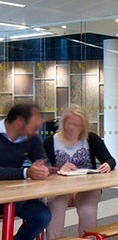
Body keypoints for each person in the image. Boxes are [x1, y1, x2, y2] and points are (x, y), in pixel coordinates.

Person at [43, 104, 116, 239]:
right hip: (60, 188)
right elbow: (43, 169)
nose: (76, 129)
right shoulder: (49, 142)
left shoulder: (91, 139)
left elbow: (110, 159)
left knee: (87, 210)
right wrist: (59, 169)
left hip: (87, 187)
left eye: (80, 125)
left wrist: (108, 165)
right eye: (72, 124)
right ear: (64, 123)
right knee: (55, 209)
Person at [0, 103, 52, 240]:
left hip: (15, 194)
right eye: (34, 128)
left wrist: (43, 170)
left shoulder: (30, 138)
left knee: (42, 215)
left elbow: (41, 161)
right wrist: (26, 173)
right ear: (19, 122)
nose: (36, 132)